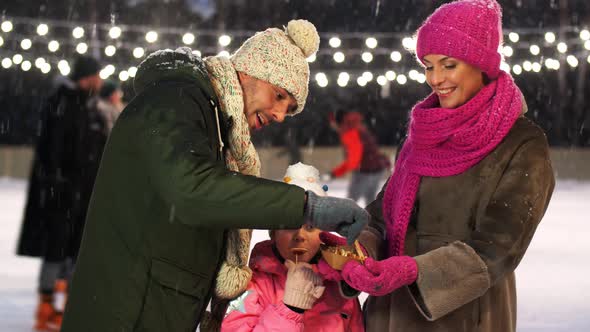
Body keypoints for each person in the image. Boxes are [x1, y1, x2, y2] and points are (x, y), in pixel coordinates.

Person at [61, 20, 369, 332]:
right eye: (278, 96)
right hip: (127, 308)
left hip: (150, 303)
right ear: (250, 71)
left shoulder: (214, 124)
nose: (279, 115)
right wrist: (307, 207)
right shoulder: (177, 101)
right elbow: (194, 190)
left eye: (288, 110)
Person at [320, 1, 555, 331]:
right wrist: (359, 252)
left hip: (463, 317)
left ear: (481, 65)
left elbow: (499, 247)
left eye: (448, 65)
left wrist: (416, 272)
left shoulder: (521, 142)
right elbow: (380, 217)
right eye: (428, 66)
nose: (435, 78)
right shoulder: (422, 134)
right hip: (387, 315)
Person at [16, 55, 105, 331]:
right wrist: (59, 184)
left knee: (71, 249)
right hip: (63, 195)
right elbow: (55, 150)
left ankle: (65, 305)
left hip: (77, 194)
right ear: (86, 77)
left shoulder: (85, 106)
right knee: (57, 249)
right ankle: (46, 307)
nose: (100, 81)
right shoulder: (65, 104)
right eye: (97, 76)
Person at [221, 163, 364, 332]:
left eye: (310, 227)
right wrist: (290, 310)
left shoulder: (339, 289)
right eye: (290, 226)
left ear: (324, 236)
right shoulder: (254, 286)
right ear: (273, 233)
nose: (300, 235)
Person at [327, 110, 390, 205]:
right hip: (377, 169)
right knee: (370, 202)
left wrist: (335, 173)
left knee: (349, 203)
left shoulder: (350, 132)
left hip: (365, 171)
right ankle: (372, 219)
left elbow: (353, 161)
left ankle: (346, 220)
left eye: (332, 122)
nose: (331, 125)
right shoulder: (357, 127)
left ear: (337, 122)